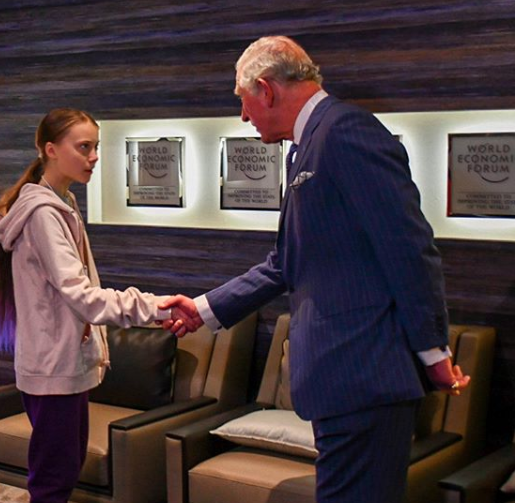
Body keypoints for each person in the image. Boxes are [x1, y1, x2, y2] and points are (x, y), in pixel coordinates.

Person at [159, 36, 471, 503]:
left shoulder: (345, 132)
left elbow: (410, 249)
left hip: (362, 376)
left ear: (265, 90)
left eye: (242, 101)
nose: (243, 116)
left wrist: (433, 352)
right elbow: (286, 263)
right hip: (340, 381)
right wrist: (205, 309)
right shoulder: (305, 146)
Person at [0, 108, 173, 503]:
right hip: (53, 366)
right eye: (84, 147)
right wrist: (156, 307)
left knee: (63, 467)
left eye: (96, 147)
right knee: (54, 478)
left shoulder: (64, 205)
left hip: (64, 364)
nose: (94, 156)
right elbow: (83, 296)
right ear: (51, 149)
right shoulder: (44, 213)